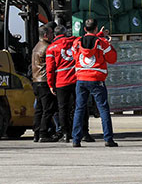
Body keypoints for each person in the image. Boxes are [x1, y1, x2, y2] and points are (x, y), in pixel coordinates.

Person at [71, 19, 118, 147]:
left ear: (84, 29)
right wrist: (105, 40)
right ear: (96, 28)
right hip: (97, 80)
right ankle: (108, 139)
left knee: (79, 109)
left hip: (81, 79)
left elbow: (74, 56)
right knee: (103, 109)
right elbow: (112, 58)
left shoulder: (77, 42)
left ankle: (76, 139)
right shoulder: (102, 43)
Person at [46, 25, 89, 143]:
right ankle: (84, 132)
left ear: (55, 34)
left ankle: (65, 133)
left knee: (62, 109)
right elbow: (88, 38)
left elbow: (50, 69)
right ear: (65, 33)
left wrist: (50, 84)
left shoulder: (51, 48)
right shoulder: (75, 41)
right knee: (81, 106)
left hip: (61, 82)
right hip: (77, 79)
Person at [31, 26, 58, 142]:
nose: (53, 35)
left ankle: (36, 133)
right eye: (51, 33)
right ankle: (44, 133)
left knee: (39, 109)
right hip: (44, 81)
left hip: (36, 81)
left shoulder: (36, 46)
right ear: (46, 35)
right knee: (48, 109)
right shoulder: (48, 47)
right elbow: (52, 65)